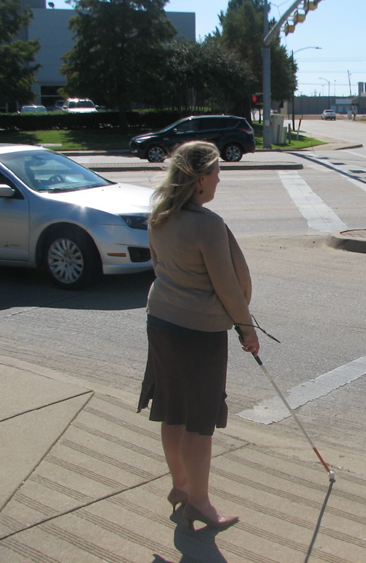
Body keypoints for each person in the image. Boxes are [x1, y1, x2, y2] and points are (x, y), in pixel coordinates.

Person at [138, 141, 259, 530]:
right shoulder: (207, 224)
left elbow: (159, 268)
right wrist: (247, 328)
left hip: (160, 321)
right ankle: (201, 504)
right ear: (201, 178)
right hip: (198, 332)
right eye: (218, 173)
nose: (220, 180)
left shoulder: (159, 216)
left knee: (172, 409)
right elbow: (228, 287)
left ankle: (181, 486)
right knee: (199, 421)